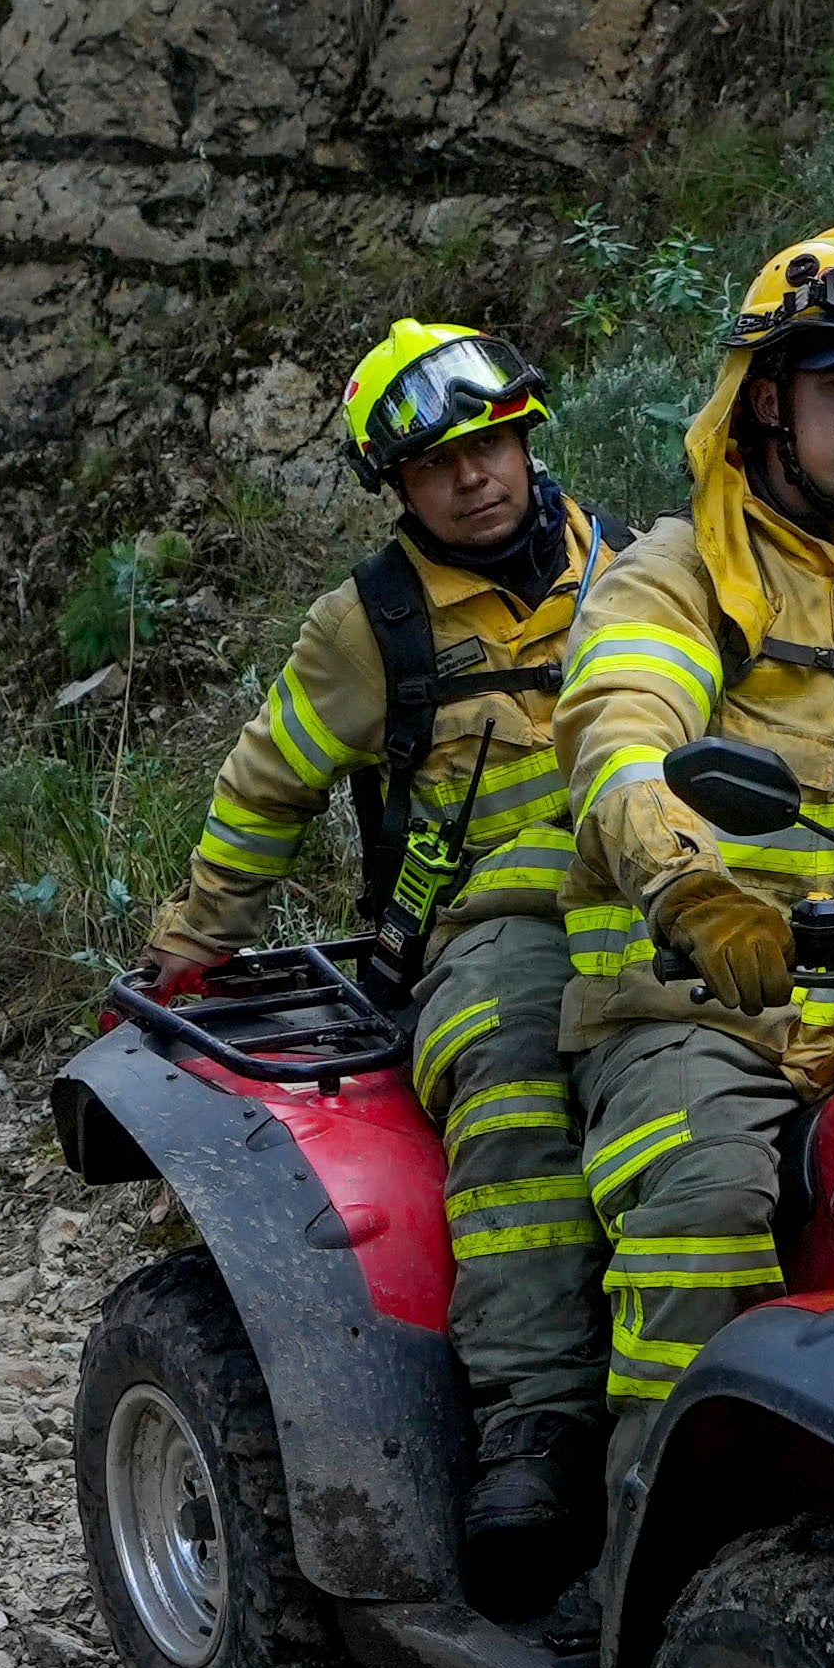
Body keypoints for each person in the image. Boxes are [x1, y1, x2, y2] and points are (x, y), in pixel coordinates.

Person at [544, 228, 834, 1608]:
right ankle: (650, 1579)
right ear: (768, 399)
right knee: (709, 1195)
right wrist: (690, 883)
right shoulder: (675, 575)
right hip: (697, 1014)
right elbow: (620, 735)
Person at [139, 325, 613, 1602]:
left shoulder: (630, 565)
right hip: (486, 935)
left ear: (527, 431)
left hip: (659, 895)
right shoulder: (367, 627)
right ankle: (536, 1427)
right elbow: (264, 785)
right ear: (396, 486)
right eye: (436, 464)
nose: (473, 479)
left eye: (489, 443)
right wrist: (195, 938)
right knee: (516, 1088)